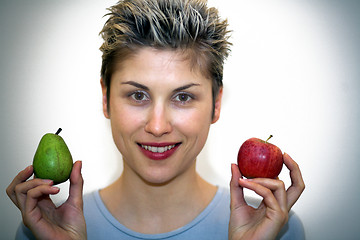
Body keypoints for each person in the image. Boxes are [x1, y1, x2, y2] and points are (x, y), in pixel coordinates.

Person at [6, 0, 305, 239]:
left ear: (216, 105)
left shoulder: (275, 228)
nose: (158, 126)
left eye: (183, 97)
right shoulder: (42, 229)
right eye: (138, 96)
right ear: (105, 98)